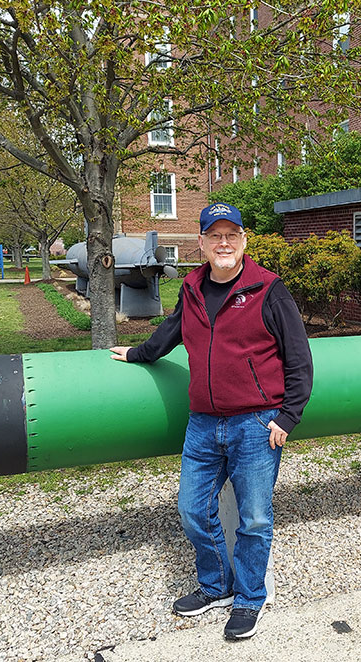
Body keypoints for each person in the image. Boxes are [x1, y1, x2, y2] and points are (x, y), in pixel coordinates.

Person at [110, 202, 313, 640]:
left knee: (254, 519)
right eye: (215, 236)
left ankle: (249, 599)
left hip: (257, 425)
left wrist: (288, 417)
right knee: (191, 511)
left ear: (244, 240)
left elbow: (299, 359)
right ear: (201, 243)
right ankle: (216, 586)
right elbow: (170, 330)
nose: (224, 243)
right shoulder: (192, 288)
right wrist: (138, 353)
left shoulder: (268, 289)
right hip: (203, 423)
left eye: (232, 235)